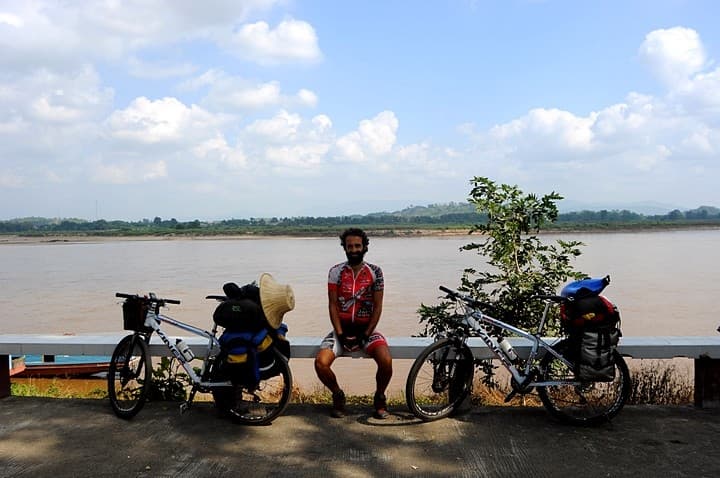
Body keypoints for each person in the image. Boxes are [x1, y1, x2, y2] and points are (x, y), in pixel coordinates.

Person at [314, 228, 393, 419]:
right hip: (341, 330)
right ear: (345, 248)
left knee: (386, 361)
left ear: (365, 247)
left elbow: (378, 307)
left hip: (366, 330)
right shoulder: (336, 272)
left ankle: (380, 397)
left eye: (358, 245)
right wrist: (340, 334)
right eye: (350, 246)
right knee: (320, 363)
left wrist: (366, 335)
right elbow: (333, 305)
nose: (354, 249)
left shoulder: (375, 272)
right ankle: (338, 395)